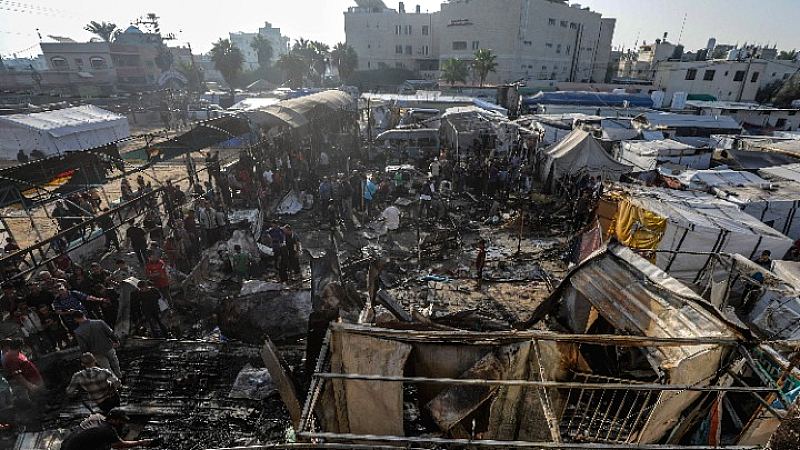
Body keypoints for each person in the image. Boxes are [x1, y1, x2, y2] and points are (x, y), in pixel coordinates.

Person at [58, 408, 153, 450]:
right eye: (120, 420)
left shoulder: (96, 417)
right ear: (112, 420)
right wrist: (141, 442)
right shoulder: (107, 431)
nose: (122, 422)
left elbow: (83, 425)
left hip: (66, 444)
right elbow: (120, 445)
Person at [73, 310, 122, 378]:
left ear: (75, 319)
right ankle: (119, 376)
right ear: (84, 315)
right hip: (108, 347)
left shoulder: (78, 332)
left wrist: (89, 357)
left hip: (97, 353)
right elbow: (110, 333)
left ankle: (116, 383)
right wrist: (116, 341)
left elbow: (83, 347)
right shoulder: (99, 322)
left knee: (107, 369)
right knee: (115, 363)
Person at [2, 338, 43, 405]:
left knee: (40, 395)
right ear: (20, 346)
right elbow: (18, 376)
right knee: (36, 398)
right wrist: (29, 385)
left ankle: (45, 407)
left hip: (33, 378)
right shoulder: (11, 358)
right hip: (29, 381)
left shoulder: (17, 353)